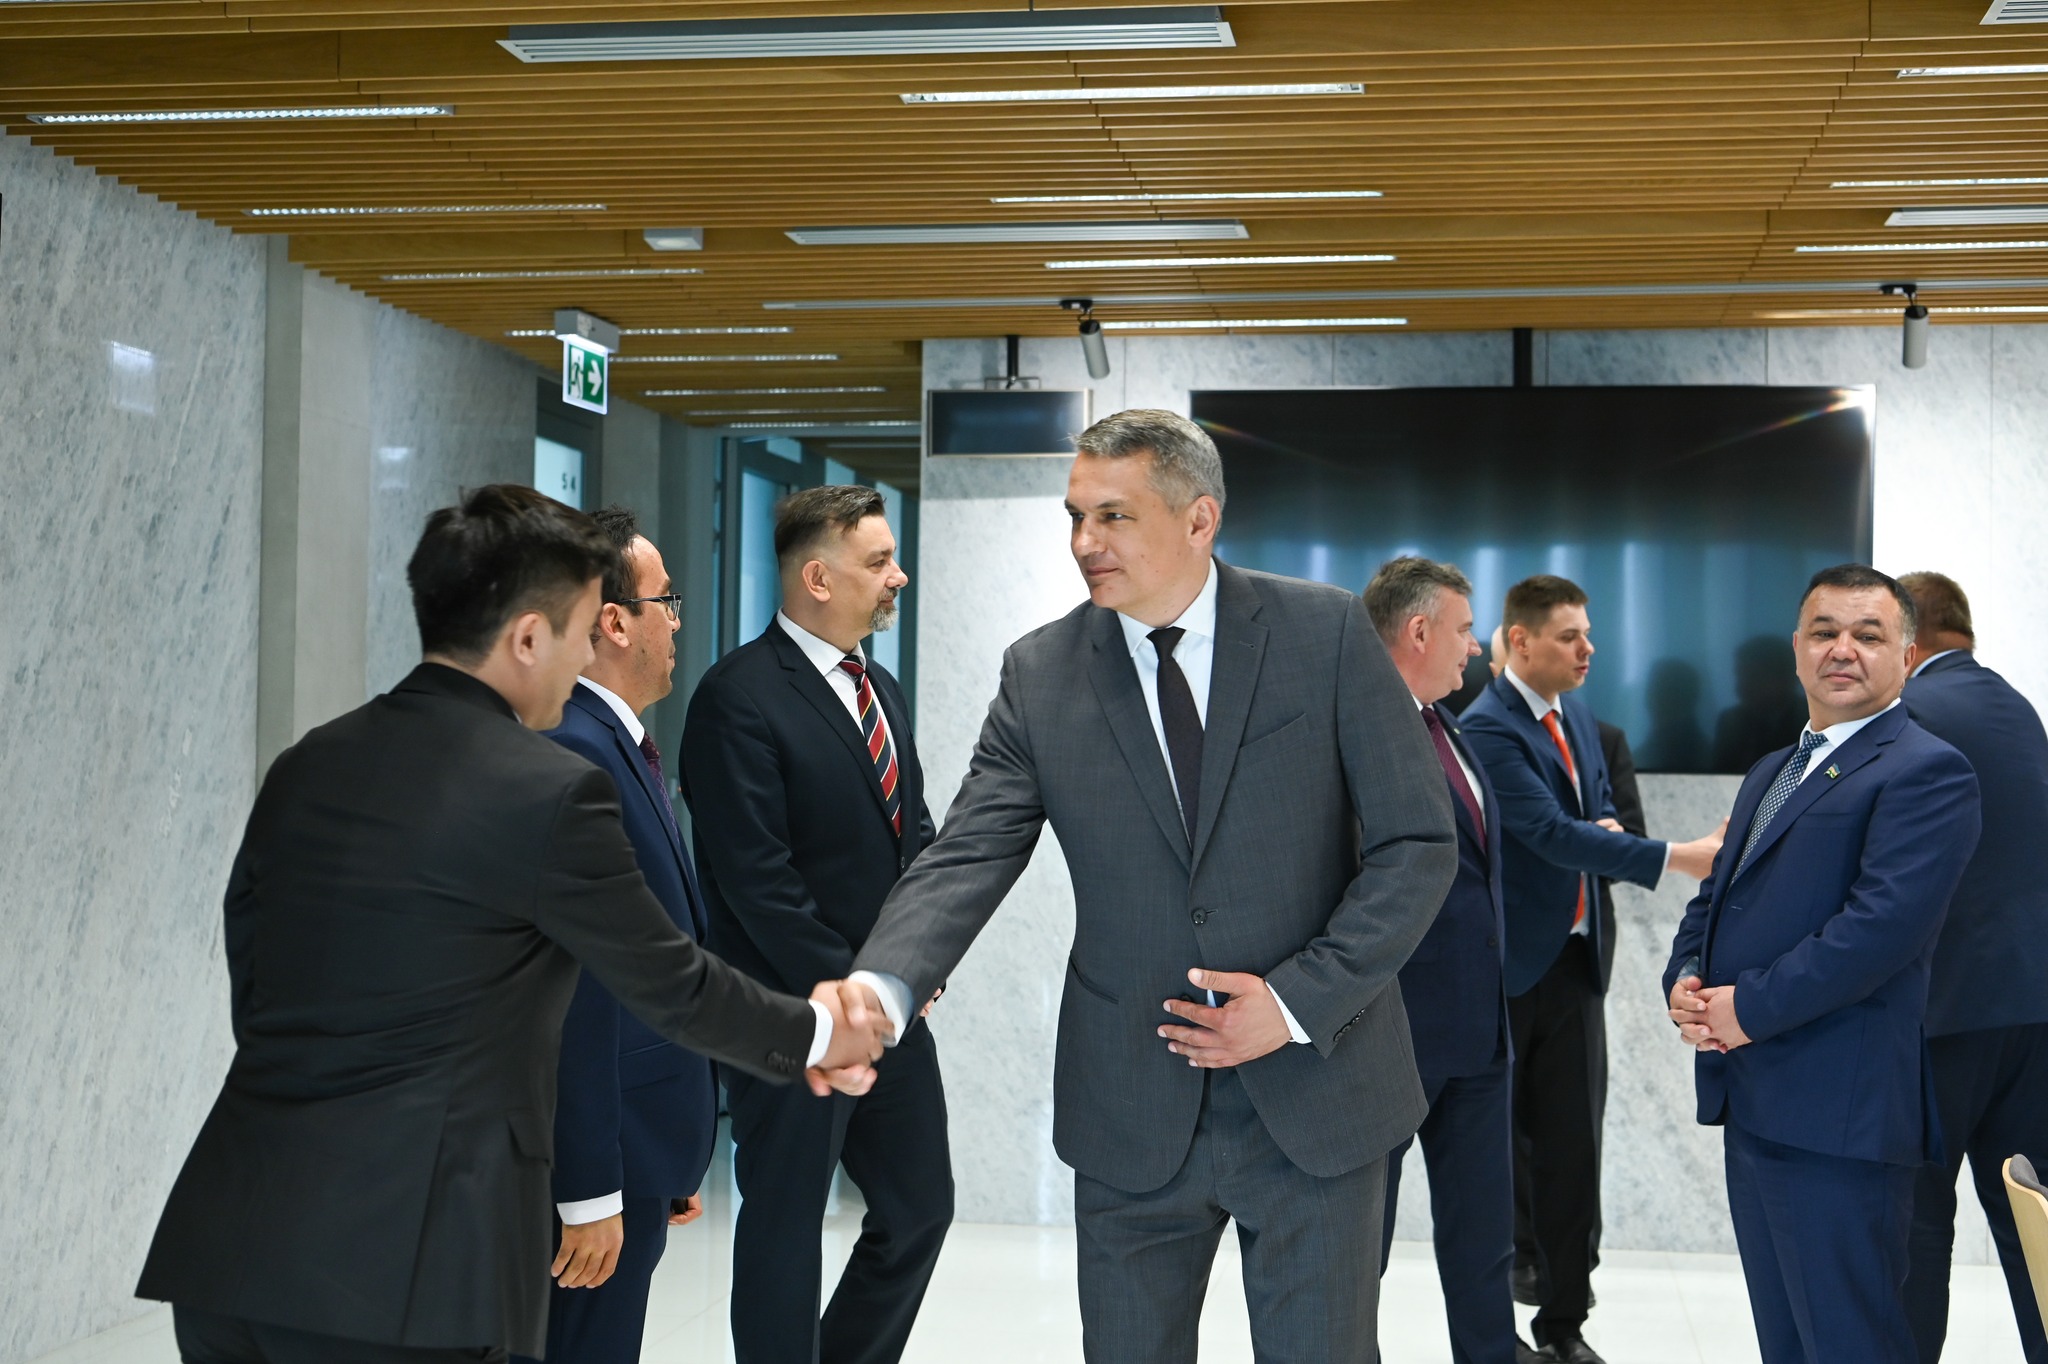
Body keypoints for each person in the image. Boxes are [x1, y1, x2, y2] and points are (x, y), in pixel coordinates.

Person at [136, 484, 885, 1364]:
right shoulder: (547, 789)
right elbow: (668, 982)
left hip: (230, 1244)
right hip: (406, 1267)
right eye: (577, 632)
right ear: (529, 637)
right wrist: (821, 1033)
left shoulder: (310, 762)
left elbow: (254, 978)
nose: (583, 661)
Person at [838, 409, 1459, 1363]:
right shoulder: (1041, 673)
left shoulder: (1324, 632)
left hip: (1318, 1094)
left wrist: (1295, 1002)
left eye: (1114, 517)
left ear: (1199, 519)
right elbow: (968, 851)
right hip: (1129, 1103)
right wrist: (882, 986)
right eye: (1075, 516)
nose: (1084, 542)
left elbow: (1417, 843)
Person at [1666, 564, 1982, 1364]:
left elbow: (1876, 934)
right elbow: (1718, 894)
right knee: (1788, 1343)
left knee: (1849, 1343)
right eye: (1824, 632)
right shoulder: (1775, 767)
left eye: (1868, 634)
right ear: (1797, 648)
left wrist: (1745, 1009)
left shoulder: (1927, 770)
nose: (1843, 648)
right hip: (1756, 1102)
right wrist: (1686, 980)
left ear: (1906, 656)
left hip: (1840, 1119)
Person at [681, 486, 952, 1364]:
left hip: (888, 1009)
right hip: (790, 1018)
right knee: (786, 1225)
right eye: (879, 562)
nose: (897, 576)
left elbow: (915, 835)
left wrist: (917, 962)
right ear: (818, 578)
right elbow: (758, 882)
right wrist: (848, 1000)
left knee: (920, 1208)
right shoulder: (737, 698)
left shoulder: (881, 689)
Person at [1459, 576, 1723, 1364]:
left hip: (1576, 964)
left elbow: (1598, 817)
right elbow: (1549, 833)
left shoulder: (1577, 717)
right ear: (1520, 640)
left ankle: (1565, 1324)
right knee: (1493, 1161)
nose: (1589, 649)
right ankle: (1494, 1334)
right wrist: (1678, 857)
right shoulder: (1488, 726)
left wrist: (1600, 832)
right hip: (1505, 973)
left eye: (1588, 633)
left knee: (1574, 1153)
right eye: (1570, 636)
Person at [507, 507, 718, 1364]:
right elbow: (576, 987)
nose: (677, 623)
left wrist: (672, 1154)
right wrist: (593, 1184)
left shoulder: (617, 744)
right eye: (667, 602)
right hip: (600, 1163)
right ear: (615, 622)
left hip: (641, 1148)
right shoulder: (579, 750)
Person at [1365, 558, 1541, 1364]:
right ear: (1418, 631)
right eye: (1466, 630)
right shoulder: (1349, 728)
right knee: (1353, 1253)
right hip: (1386, 1039)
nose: (1477, 647)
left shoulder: (1451, 727)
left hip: (1477, 1037)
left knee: (1483, 1248)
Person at [1895, 571, 2048, 1364]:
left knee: (1917, 1224)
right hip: (2031, 1010)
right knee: (2031, 1222)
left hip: (1942, 1013)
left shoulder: (1910, 710)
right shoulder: (2016, 707)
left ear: (1907, 638)